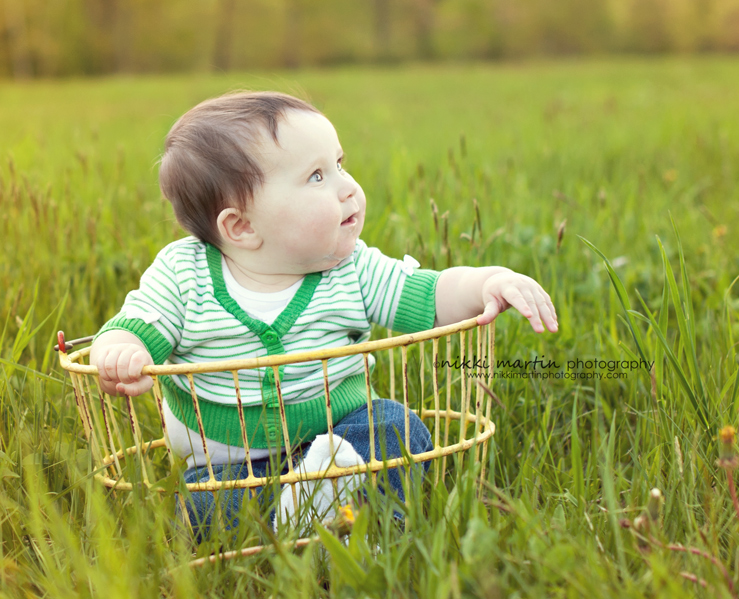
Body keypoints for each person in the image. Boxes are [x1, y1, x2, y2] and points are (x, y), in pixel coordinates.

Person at [89, 91, 557, 540]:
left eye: (339, 165)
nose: (348, 188)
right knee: (200, 508)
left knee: (396, 427)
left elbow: (429, 294)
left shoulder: (352, 270)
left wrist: (485, 283)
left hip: (343, 437)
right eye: (316, 176)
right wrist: (122, 352)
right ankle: (317, 515)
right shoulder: (184, 275)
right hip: (233, 470)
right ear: (242, 226)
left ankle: (342, 515)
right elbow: (139, 324)